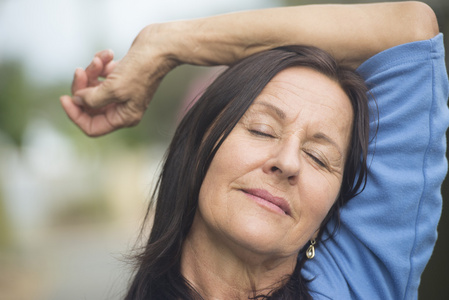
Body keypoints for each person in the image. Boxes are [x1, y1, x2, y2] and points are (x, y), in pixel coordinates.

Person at [60, 1, 448, 299]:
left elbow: (412, 31)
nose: (288, 161)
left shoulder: (355, 283)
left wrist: (165, 45)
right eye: (263, 130)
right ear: (199, 149)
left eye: (319, 157)